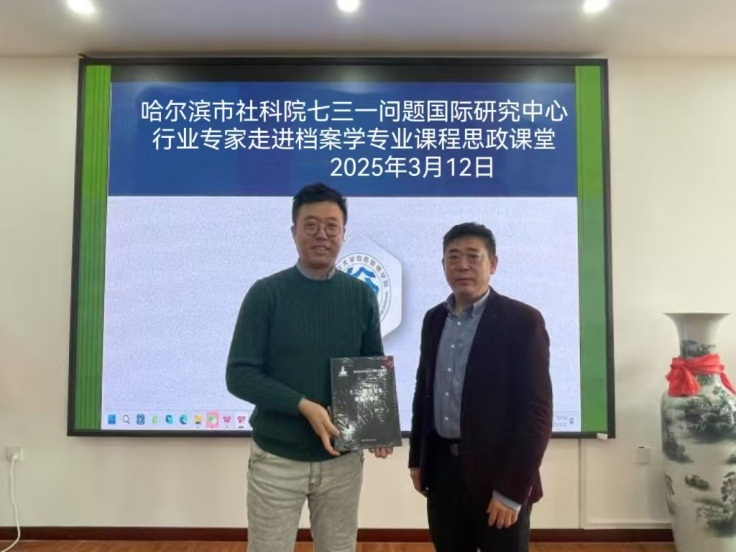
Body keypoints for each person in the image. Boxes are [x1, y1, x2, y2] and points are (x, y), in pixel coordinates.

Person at [226, 183, 392, 552]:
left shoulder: (361, 295)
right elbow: (239, 375)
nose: (322, 235)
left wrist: (375, 426)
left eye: (332, 226)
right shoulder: (266, 294)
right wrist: (303, 405)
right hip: (277, 459)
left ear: (344, 233)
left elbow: (369, 366)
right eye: (311, 225)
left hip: (341, 463)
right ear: (294, 232)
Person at [408, 222, 553, 552]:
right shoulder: (433, 319)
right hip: (442, 473)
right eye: (453, 257)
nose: (462, 266)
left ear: (493, 264)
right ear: (443, 264)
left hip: (498, 476)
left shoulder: (523, 321)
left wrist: (511, 491)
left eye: (473, 256)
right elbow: (423, 391)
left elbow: (537, 414)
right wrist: (418, 459)